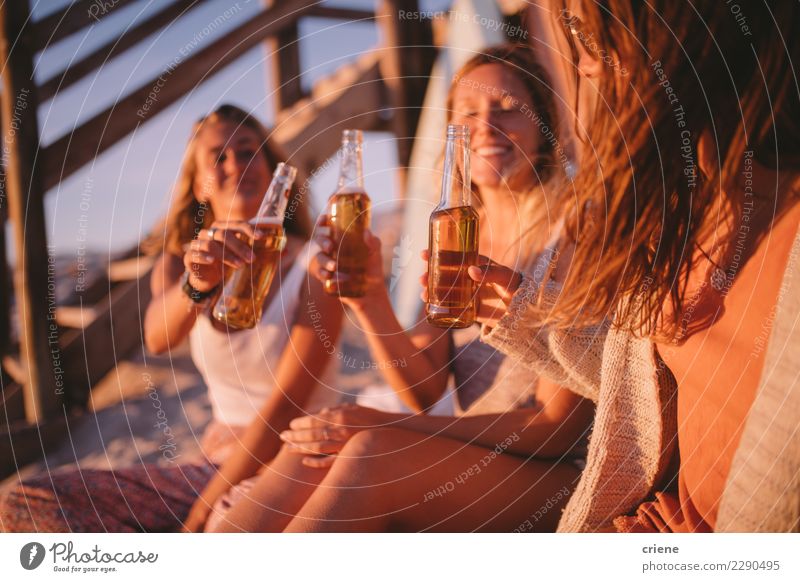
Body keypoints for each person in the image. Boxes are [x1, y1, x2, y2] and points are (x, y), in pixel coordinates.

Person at [208, 45, 594, 533]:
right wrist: (369, 299)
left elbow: (556, 428)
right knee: (312, 449)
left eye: (508, 109)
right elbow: (424, 388)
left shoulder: (574, 231)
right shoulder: (455, 231)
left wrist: (379, 423)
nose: (485, 125)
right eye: (469, 113)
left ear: (545, 127)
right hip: (471, 449)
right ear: (451, 133)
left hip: (553, 472)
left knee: (368, 449)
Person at [474, 1, 800, 532]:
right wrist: (526, 313)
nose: (582, 67)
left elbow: (554, 425)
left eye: (586, 36)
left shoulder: (782, 243)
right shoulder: (676, 220)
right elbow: (643, 396)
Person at [0, 104, 345, 532]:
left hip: (299, 456)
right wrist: (198, 284)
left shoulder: (317, 262)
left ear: (273, 169)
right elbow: (158, 337)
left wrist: (202, 508)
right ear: (200, 185)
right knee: (26, 502)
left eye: (247, 150)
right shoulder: (180, 262)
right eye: (218, 156)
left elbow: (283, 408)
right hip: (218, 458)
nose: (235, 163)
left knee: (221, 527)